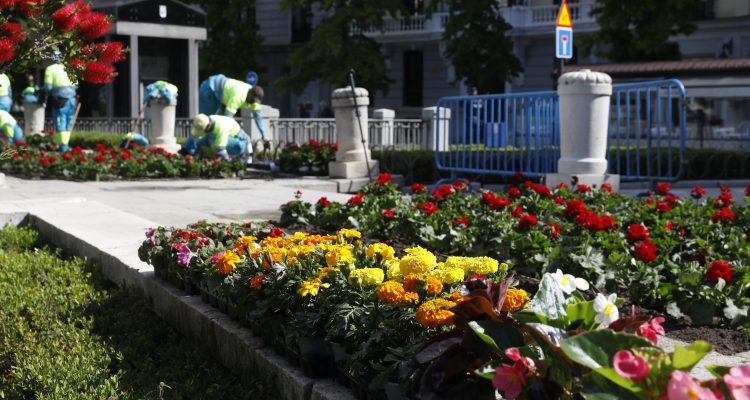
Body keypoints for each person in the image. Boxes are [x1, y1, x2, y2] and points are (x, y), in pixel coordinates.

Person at [198, 74, 265, 138]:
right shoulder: (239, 96)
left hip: (219, 92)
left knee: (214, 124)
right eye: (252, 99)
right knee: (206, 121)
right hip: (210, 87)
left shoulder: (254, 102)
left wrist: (264, 135)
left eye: (255, 101)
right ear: (250, 93)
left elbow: (258, 118)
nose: (253, 102)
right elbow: (228, 118)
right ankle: (196, 143)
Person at [43, 52, 78, 152]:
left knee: (60, 123)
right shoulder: (70, 68)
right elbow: (76, 86)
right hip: (72, 99)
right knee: (68, 123)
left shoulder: (50, 69)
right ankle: (65, 145)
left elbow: (48, 88)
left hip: (60, 100)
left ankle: (63, 146)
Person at [181, 113, 250, 162]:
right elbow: (192, 138)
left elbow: (220, 150)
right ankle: (205, 156)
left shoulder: (221, 127)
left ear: (208, 126)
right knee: (202, 141)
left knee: (213, 141)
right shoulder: (203, 121)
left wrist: (228, 163)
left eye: (203, 130)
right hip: (217, 138)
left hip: (239, 143)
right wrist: (186, 152)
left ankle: (231, 159)